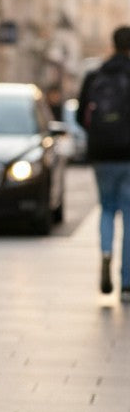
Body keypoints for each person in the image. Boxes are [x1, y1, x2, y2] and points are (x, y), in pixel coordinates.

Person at [77, 26, 130, 300]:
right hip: (129, 157)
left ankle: (106, 254)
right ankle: (127, 281)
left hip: (101, 155)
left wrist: (100, 137)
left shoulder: (95, 75)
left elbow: (79, 116)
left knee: (107, 209)